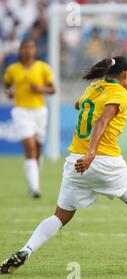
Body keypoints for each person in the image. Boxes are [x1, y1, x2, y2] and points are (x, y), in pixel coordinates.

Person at [1, 56, 127, 274]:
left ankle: (26, 250)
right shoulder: (119, 94)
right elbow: (101, 122)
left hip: (74, 162)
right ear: (126, 74)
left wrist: (92, 104)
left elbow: (79, 104)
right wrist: (92, 154)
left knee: (60, 216)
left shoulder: (94, 87)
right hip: (102, 160)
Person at [3, 39, 55, 198]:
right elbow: (7, 86)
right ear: (20, 50)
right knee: (30, 147)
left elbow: (52, 89)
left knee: (38, 149)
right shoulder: (13, 69)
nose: (28, 50)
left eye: (31, 47)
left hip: (39, 111)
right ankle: (35, 188)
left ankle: (34, 183)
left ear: (34, 50)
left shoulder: (43, 67)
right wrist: (10, 93)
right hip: (21, 111)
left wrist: (39, 89)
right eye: (25, 48)